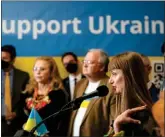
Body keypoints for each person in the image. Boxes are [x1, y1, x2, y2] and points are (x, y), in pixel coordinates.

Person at [107, 51, 157, 137]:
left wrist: (117, 128)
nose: (110, 80)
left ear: (130, 76)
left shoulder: (143, 116)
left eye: (114, 74)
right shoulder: (121, 108)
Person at [68, 49, 116, 136]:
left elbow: (113, 122)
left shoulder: (111, 87)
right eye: (84, 61)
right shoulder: (80, 84)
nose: (85, 65)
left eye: (89, 62)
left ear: (102, 67)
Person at [20, 56, 68, 136]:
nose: (38, 72)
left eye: (42, 69)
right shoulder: (27, 91)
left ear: (51, 72)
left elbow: (61, 122)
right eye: (35, 69)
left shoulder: (58, 94)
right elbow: (20, 114)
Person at [1, 45, 30, 136]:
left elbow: (27, 100)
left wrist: (16, 113)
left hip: (17, 125)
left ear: (13, 60)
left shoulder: (23, 76)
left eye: (4, 58)